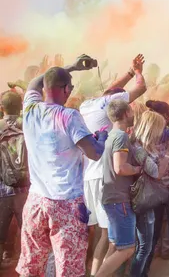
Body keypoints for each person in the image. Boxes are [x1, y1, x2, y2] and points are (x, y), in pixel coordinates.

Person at [16, 56, 106, 277]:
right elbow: (94, 153)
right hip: (66, 204)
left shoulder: (29, 109)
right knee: (69, 268)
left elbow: (32, 85)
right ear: (66, 89)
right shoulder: (68, 116)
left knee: (32, 264)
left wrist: (70, 67)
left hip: (36, 200)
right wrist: (102, 138)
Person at [79, 54, 147, 276]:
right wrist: (137, 73)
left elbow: (110, 92)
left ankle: (96, 272)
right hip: (104, 178)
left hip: (89, 177)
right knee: (113, 241)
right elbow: (140, 88)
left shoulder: (87, 105)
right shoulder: (115, 120)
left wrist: (128, 71)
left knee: (105, 236)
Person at [129, 110, 169, 277]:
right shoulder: (139, 148)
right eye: (160, 128)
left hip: (150, 199)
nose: (162, 133)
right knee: (144, 247)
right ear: (152, 128)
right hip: (145, 201)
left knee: (147, 245)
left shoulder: (145, 147)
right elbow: (157, 173)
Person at [94, 100, 138, 277]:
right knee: (127, 249)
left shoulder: (112, 135)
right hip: (119, 200)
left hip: (111, 198)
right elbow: (120, 167)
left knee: (115, 245)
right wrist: (138, 169)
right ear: (126, 112)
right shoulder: (120, 136)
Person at [0, 91, 27, 266]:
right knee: (28, 230)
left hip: (2, 190)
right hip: (25, 189)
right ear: (20, 107)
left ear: (2, 108)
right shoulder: (26, 125)